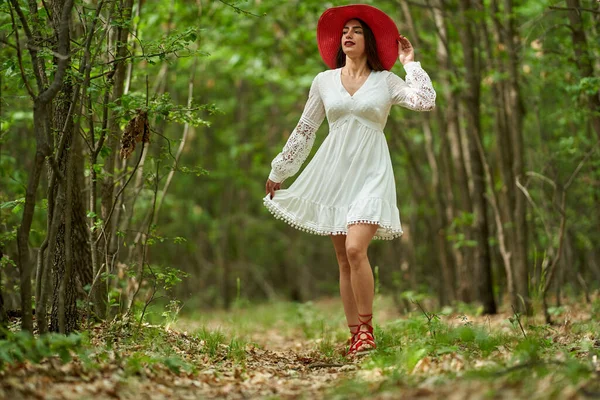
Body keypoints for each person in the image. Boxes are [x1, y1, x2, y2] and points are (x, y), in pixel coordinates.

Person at [263, 4, 436, 357]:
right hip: (334, 173)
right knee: (343, 259)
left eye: (356, 30)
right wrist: (280, 170)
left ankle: (368, 331)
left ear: (368, 40)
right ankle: (354, 333)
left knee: (357, 249)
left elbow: (426, 101)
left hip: (372, 172)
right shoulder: (323, 81)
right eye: (344, 31)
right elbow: (306, 129)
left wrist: (410, 63)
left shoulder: (385, 81)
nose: (348, 35)